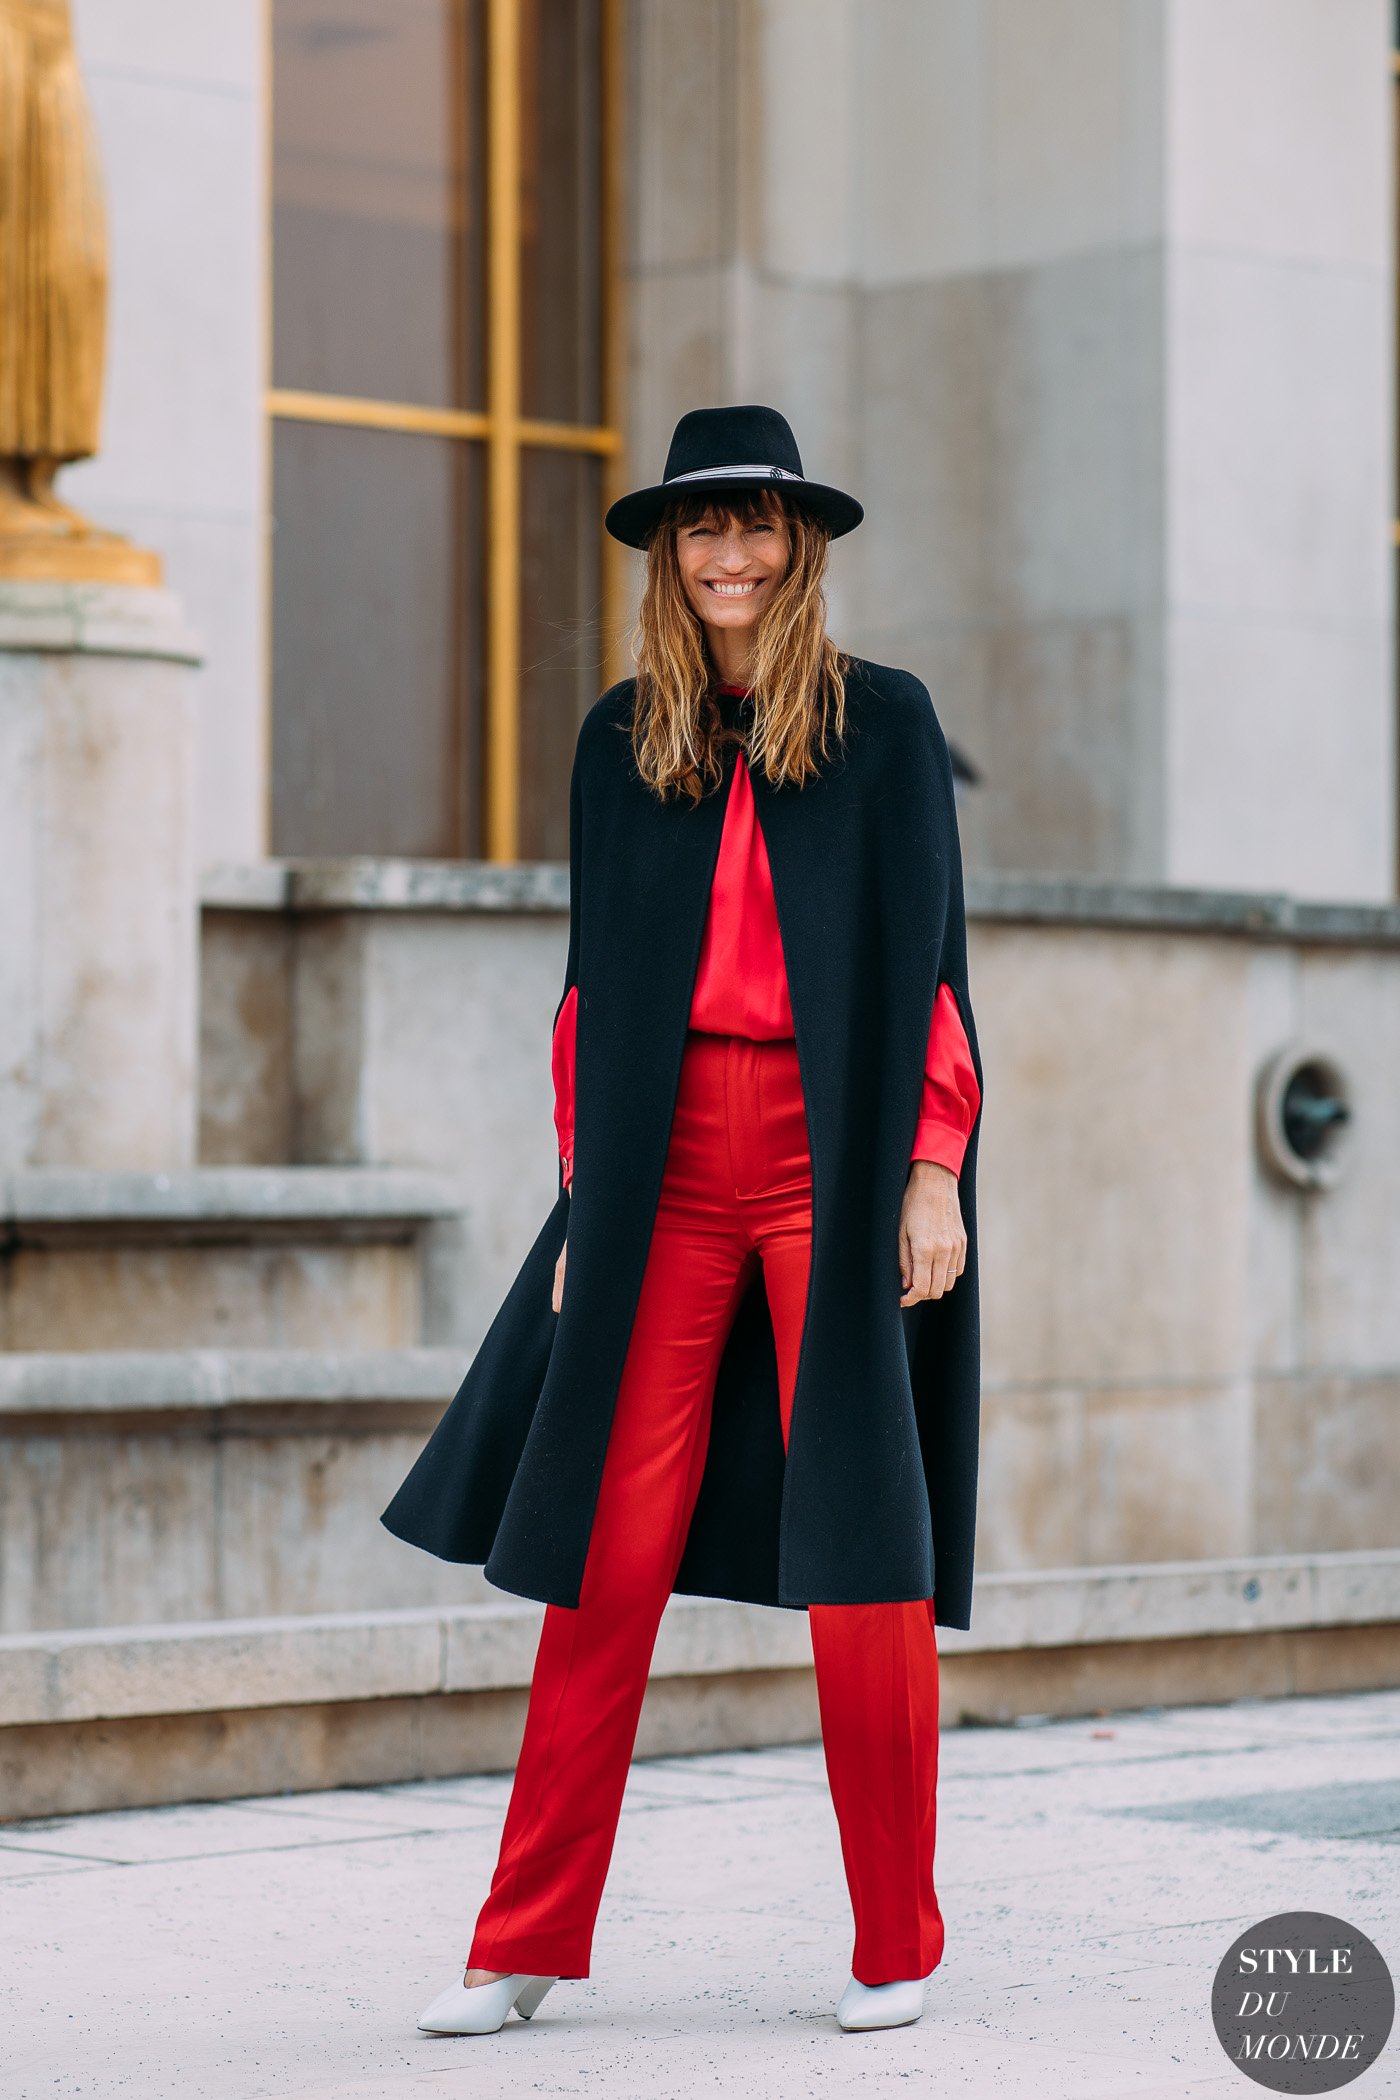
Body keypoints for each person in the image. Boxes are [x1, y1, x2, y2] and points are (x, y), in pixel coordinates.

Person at [393, 404, 984, 2040]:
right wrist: (588, 1193)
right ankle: (522, 1944)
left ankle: (895, 1945)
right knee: (604, 1543)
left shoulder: (884, 727)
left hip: (832, 1164)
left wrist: (933, 1169)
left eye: (758, 525)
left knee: (868, 1541)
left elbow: (934, 966)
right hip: (660, 1174)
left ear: (800, 546)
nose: (729, 553)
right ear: (671, 553)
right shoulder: (620, 737)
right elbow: (591, 990)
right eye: (700, 529)